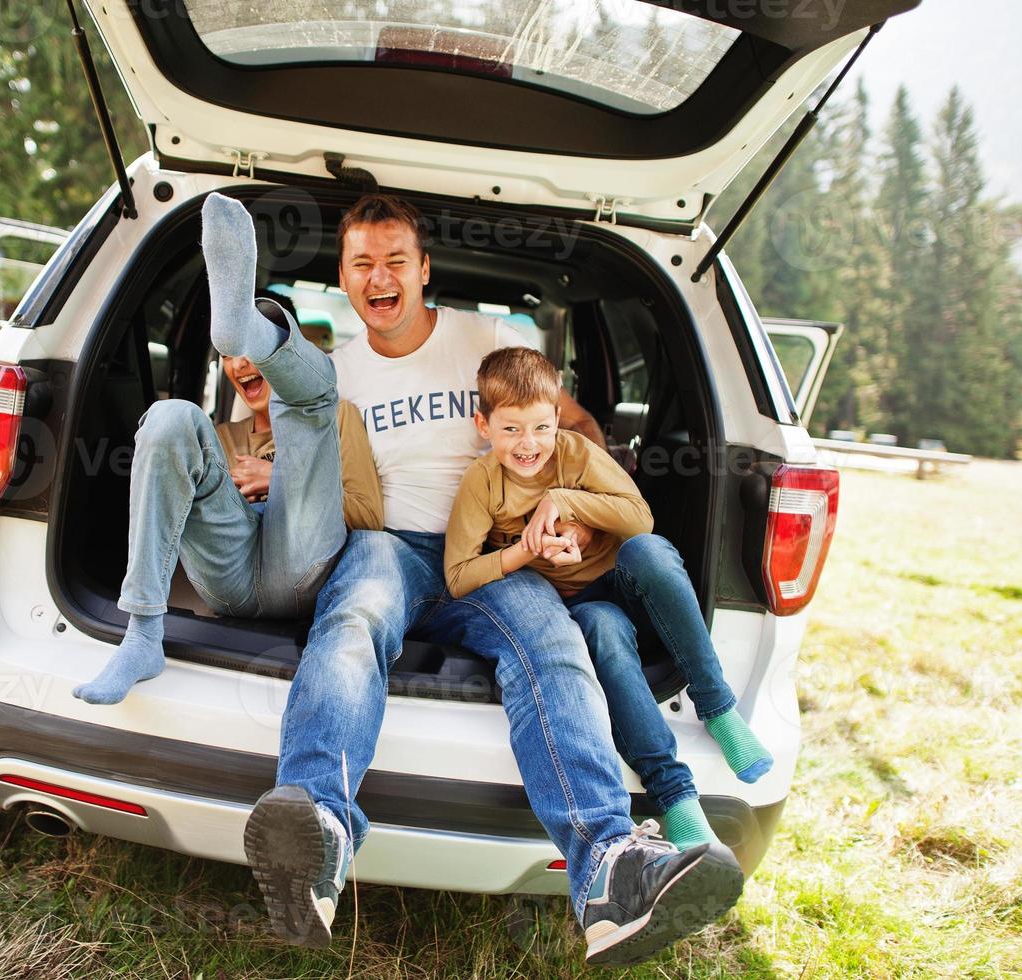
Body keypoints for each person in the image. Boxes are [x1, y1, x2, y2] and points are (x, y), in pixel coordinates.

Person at [240, 193, 744, 966]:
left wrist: (569, 514)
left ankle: (609, 871)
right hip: (393, 546)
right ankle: (317, 834)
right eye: (362, 264)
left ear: (423, 269)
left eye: (395, 260)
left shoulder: (489, 341)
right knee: (352, 621)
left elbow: (572, 431)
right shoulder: (331, 374)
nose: (380, 277)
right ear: (342, 278)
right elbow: (303, 473)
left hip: (500, 552)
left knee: (553, 644)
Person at [443, 346, 772, 854]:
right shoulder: (482, 483)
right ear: (482, 425)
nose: (528, 444)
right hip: (578, 607)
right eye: (510, 430)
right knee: (601, 627)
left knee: (649, 551)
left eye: (539, 428)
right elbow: (458, 576)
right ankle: (676, 794)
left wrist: (567, 501)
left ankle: (718, 706)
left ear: (558, 418)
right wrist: (523, 552)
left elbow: (639, 518)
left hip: (625, 581)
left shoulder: (576, 453)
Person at [72, 195, 379, 706]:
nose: (238, 365)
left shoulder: (339, 421)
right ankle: (143, 634)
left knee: (314, 404)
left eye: (248, 352)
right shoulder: (215, 440)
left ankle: (259, 329)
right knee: (170, 417)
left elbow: (369, 514)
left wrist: (274, 482)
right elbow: (177, 527)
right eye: (228, 353)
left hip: (301, 570)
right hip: (230, 581)